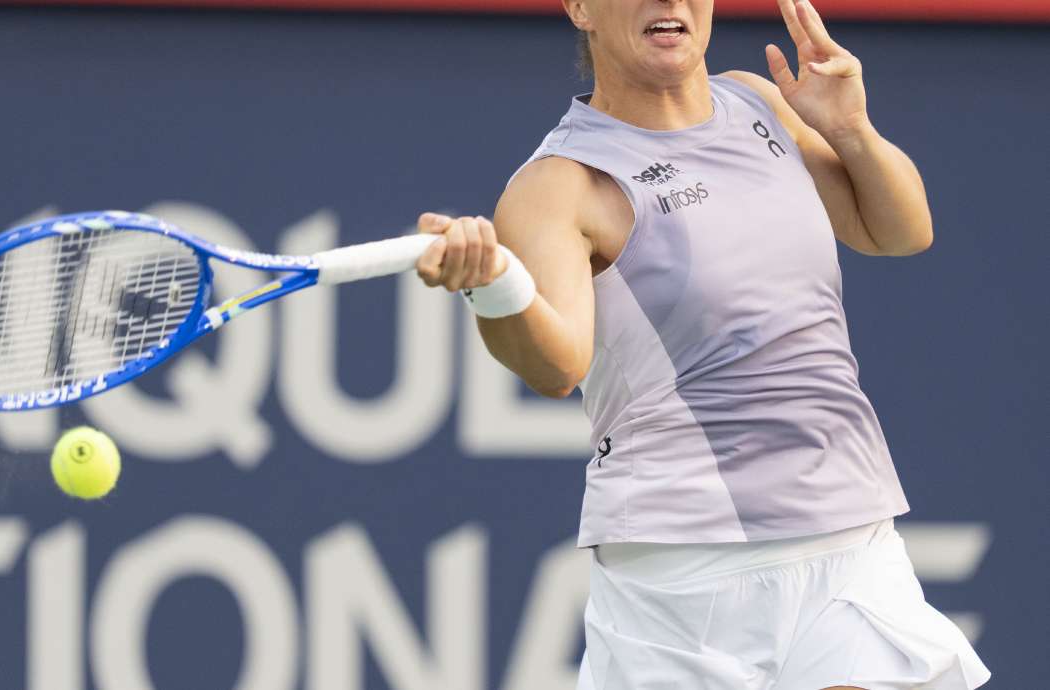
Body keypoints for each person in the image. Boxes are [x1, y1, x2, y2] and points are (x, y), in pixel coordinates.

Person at [414, 0, 991, 688]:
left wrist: (849, 127)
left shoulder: (758, 100)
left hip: (849, 536)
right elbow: (555, 365)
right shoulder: (558, 185)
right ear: (579, 7)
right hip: (684, 575)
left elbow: (897, 232)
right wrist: (494, 285)